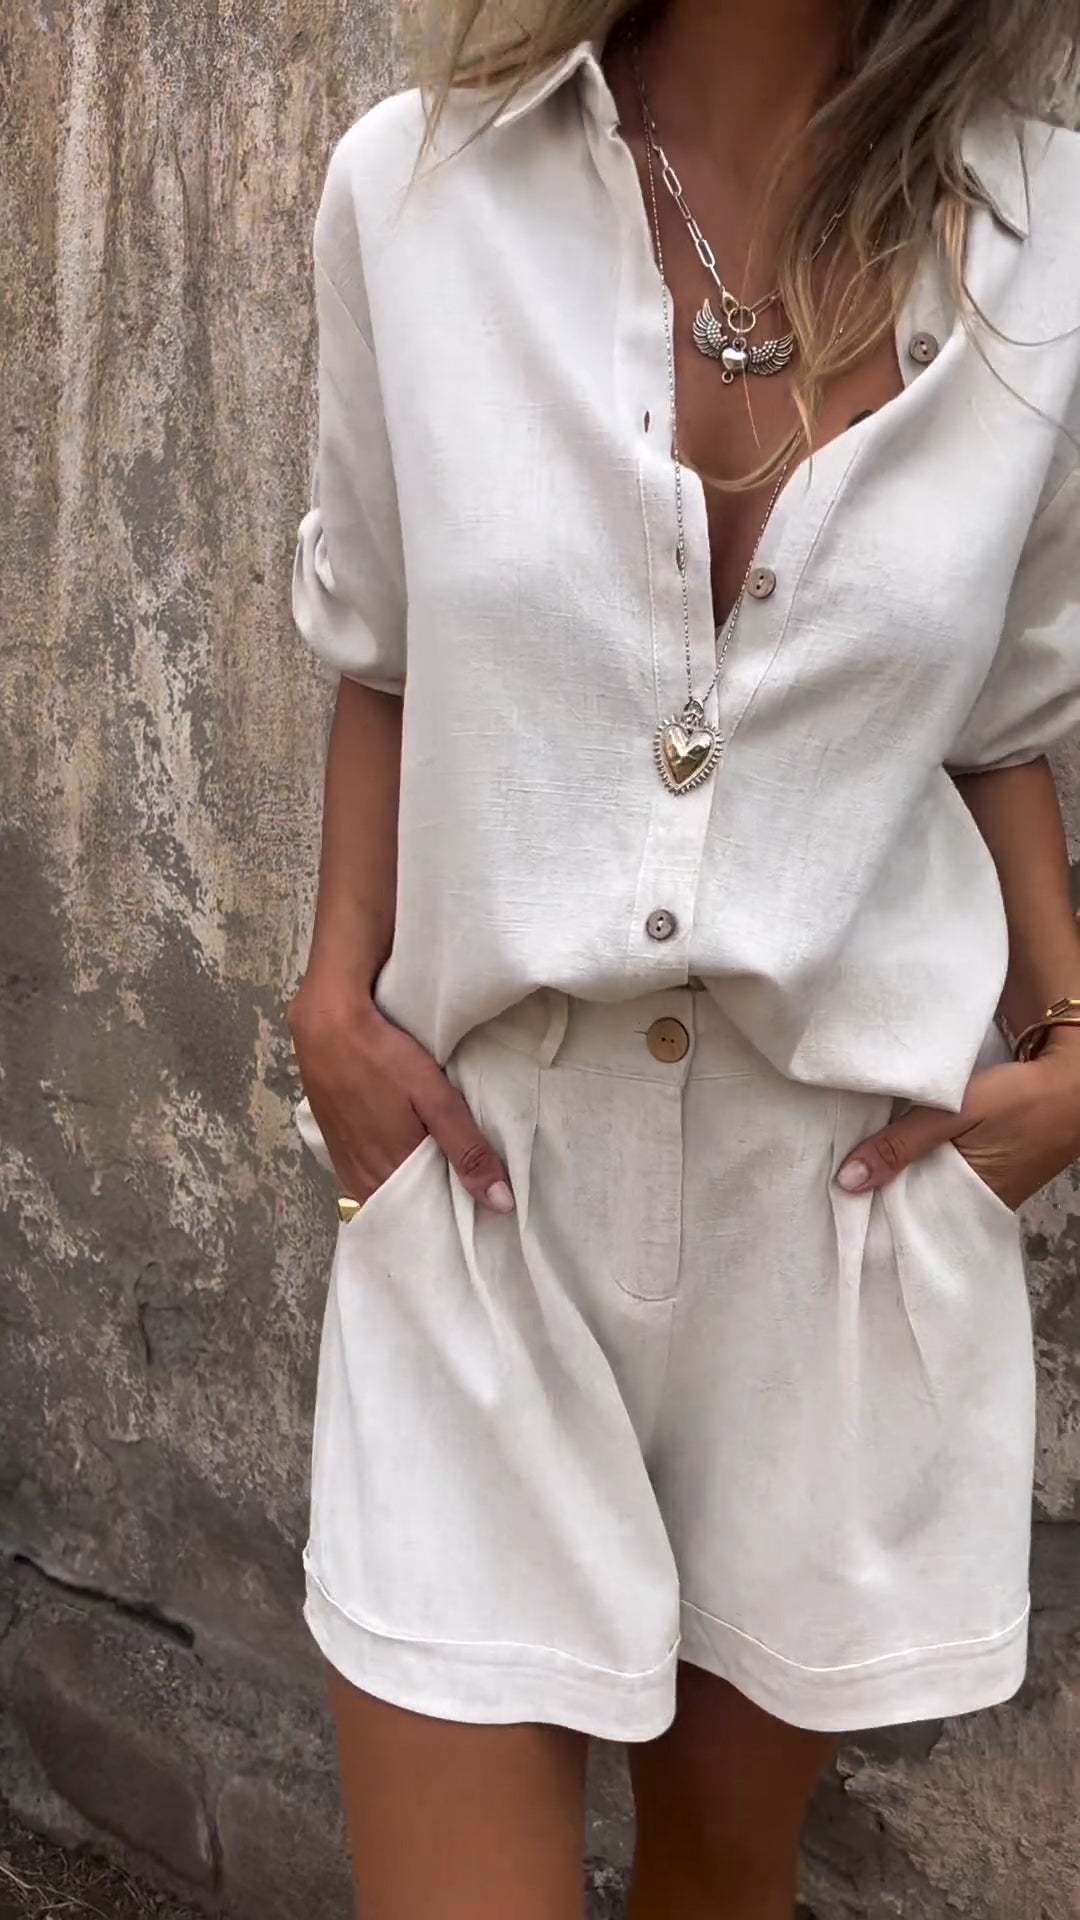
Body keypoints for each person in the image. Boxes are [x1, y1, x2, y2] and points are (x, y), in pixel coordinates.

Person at [286, 0, 1080, 1913]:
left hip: (830, 1226)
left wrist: (1073, 1036)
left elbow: (1002, 716)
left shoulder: (1052, 245)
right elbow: (385, 643)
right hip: (489, 1196)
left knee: (722, 1880)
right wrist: (333, 994)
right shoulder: (417, 189)